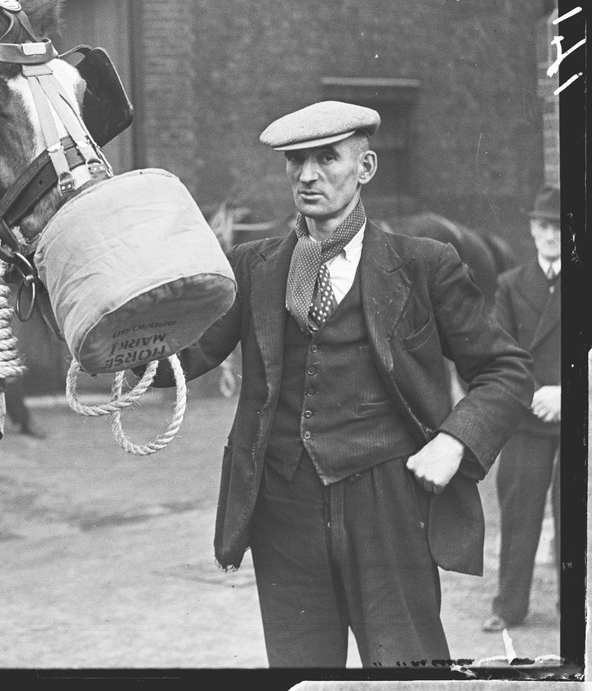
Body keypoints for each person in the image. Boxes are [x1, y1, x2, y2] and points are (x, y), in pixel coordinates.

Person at [177, 100, 533, 668]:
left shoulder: (423, 264)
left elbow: (507, 370)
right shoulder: (253, 265)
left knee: (409, 673)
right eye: (296, 161)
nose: (308, 175)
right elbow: (184, 351)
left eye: (326, 158)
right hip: (283, 509)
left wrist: (455, 441)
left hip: (390, 505)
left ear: (365, 168)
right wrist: (110, 323)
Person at [482, 184, 562, 633]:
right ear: (532, 230)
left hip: (577, 418)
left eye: (559, 226)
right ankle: (509, 606)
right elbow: (502, 352)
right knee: (519, 511)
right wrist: (536, 395)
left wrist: (569, 393)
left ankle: (576, 607)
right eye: (543, 225)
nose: (551, 235)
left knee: (574, 519)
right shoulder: (511, 285)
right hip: (528, 418)